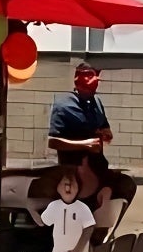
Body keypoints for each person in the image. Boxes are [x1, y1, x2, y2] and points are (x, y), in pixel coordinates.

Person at [48, 61, 114, 213]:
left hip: (98, 167)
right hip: (73, 173)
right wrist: (85, 144)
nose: (92, 90)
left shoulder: (96, 102)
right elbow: (53, 142)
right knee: (77, 214)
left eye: (94, 86)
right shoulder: (63, 105)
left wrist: (106, 134)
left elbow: (104, 127)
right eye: (88, 86)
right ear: (78, 84)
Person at [41, 167, 95, 252]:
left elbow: (89, 228)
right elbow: (44, 221)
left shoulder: (82, 208)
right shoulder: (54, 206)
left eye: (72, 184)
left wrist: (78, 249)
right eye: (64, 184)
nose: (68, 187)